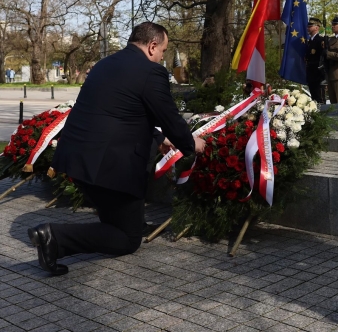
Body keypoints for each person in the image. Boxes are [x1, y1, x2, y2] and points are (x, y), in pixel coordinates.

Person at [27, 22, 205, 275]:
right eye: (163, 50)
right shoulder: (150, 72)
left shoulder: (105, 64)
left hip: (77, 159)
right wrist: (191, 143)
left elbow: (118, 113)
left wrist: (159, 138)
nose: (163, 57)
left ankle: (56, 241)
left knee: (117, 222)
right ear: (152, 46)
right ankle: (54, 237)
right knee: (128, 239)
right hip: (111, 168)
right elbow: (169, 117)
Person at [304, 17, 326, 103]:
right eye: (308, 26)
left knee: (319, 97)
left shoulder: (320, 40)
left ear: (317, 27)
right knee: (313, 97)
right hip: (310, 72)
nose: (308, 28)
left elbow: (323, 57)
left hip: (318, 73)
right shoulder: (310, 41)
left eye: (310, 26)